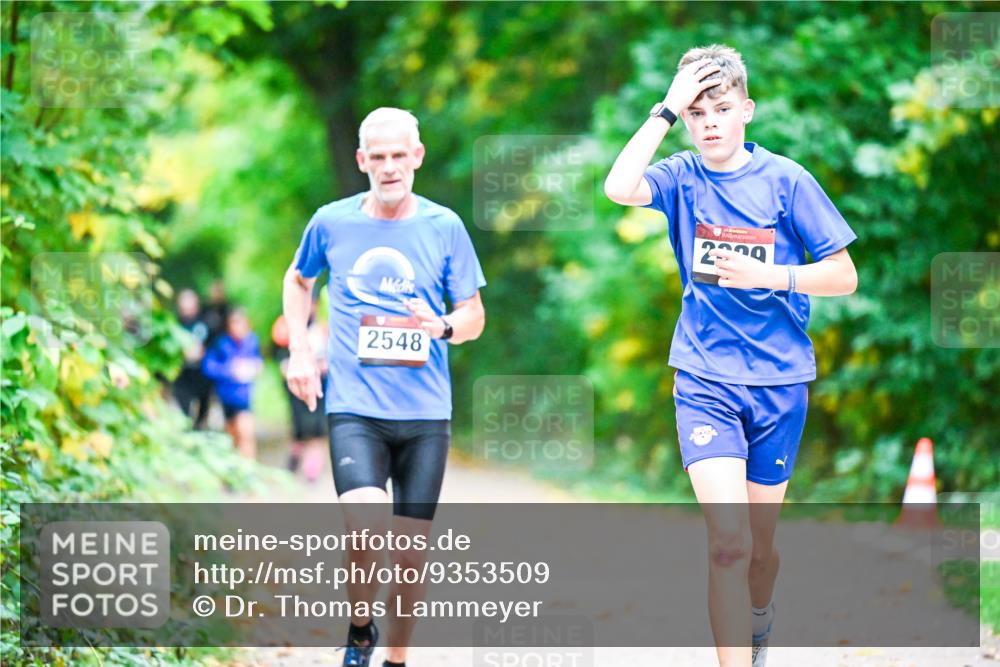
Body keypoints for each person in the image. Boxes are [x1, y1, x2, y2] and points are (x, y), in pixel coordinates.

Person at [604, 45, 858, 667]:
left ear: (747, 110)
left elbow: (844, 275)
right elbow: (618, 187)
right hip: (704, 378)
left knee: (759, 551)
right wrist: (666, 106)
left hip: (778, 382)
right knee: (728, 542)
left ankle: (759, 618)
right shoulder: (681, 176)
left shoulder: (787, 180)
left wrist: (772, 275)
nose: (709, 122)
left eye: (720, 109)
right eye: (696, 113)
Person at [283, 107, 486, 667]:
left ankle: (395, 657)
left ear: (417, 157)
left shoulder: (444, 227)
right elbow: (298, 280)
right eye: (379, 157)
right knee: (365, 528)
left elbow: (473, 315)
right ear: (361, 161)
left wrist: (442, 326)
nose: (390, 167)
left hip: (425, 414)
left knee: (411, 558)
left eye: (400, 155)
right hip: (356, 408)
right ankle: (360, 630)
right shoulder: (332, 222)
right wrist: (300, 349)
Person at [272, 300, 329, 482]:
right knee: (299, 425)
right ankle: (294, 460)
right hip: (296, 384)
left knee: (318, 427)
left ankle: (312, 469)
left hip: (320, 384)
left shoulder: (323, 328)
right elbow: (277, 352)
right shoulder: (286, 326)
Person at [202, 307, 263, 459]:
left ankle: (249, 468)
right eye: (234, 323)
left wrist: (254, 367)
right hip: (226, 396)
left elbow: (258, 361)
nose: (237, 327)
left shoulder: (252, 341)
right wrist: (229, 370)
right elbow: (208, 366)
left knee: (246, 434)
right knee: (233, 437)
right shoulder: (221, 343)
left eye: (240, 323)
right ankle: (237, 467)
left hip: (244, 397)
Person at [172, 288, 212, 429]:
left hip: (202, 374)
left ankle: (199, 429)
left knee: (202, 410)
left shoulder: (206, 322)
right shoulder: (174, 324)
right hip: (182, 374)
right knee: (184, 409)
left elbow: (214, 344)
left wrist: (203, 352)